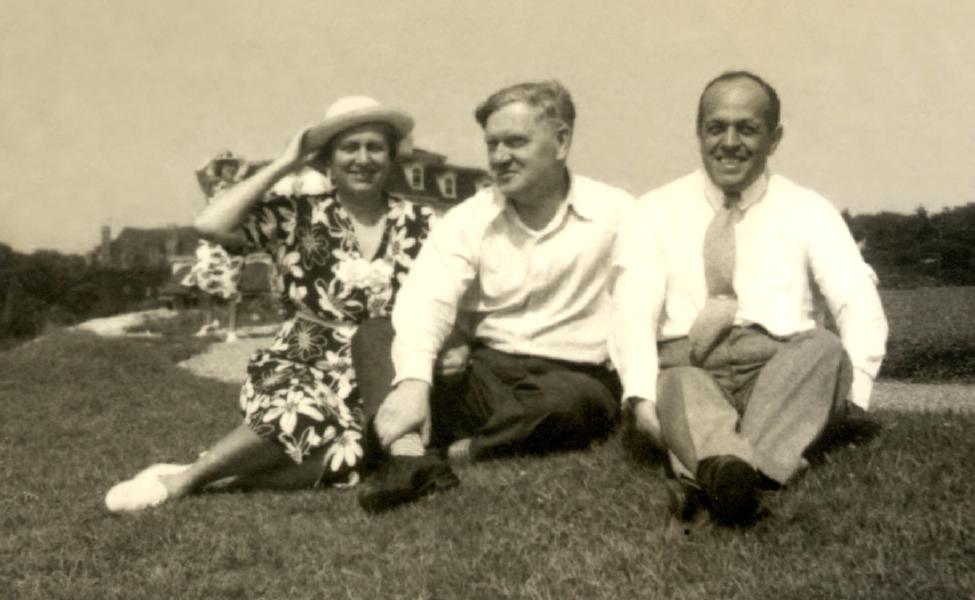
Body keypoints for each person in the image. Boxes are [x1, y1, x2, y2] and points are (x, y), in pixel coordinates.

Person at [105, 96, 437, 512]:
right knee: (302, 411)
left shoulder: (422, 222)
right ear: (327, 160)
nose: (363, 159)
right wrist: (284, 164)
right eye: (349, 148)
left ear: (391, 158)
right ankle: (179, 484)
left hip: (379, 366)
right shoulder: (295, 215)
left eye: (375, 147)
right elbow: (209, 224)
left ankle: (213, 480)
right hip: (304, 359)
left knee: (350, 455)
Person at [610, 71, 889, 525]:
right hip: (695, 366)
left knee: (825, 350)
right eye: (716, 127)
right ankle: (754, 473)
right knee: (675, 384)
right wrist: (640, 397)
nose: (730, 142)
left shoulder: (808, 208)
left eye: (748, 128)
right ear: (698, 132)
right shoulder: (653, 211)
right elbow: (632, 310)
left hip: (779, 372)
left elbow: (855, 296)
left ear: (774, 138)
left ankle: (710, 471)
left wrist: (851, 396)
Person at [355, 80, 633, 513]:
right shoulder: (468, 218)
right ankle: (410, 458)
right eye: (493, 144)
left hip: (570, 378)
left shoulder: (616, 213)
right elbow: (427, 297)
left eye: (516, 142)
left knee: (571, 405)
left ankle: (453, 452)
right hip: (487, 370)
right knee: (375, 334)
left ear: (561, 141)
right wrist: (415, 380)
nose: (501, 157)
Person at [182, 151, 249, 343]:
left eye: (232, 166)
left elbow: (247, 166)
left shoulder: (242, 187)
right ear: (219, 168)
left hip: (232, 239)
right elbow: (198, 171)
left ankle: (231, 330)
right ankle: (208, 323)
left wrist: (240, 162)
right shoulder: (212, 186)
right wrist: (214, 158)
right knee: (203, 277)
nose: (230, 168)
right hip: (211, 241)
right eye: (226, 165)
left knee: (232, 284)